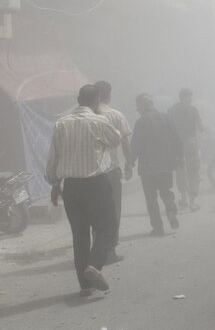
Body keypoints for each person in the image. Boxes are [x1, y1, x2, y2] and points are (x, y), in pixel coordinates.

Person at [46, 85, 121, 296]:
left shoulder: (61, 124)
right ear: (97, 100)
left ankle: (85, 286)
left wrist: (54, 184)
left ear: (78, 99)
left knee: (79, 235)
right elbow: (115, 140)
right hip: (96, 183)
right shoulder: (99, 121)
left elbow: (53, 157)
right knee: (107, 226)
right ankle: (94, 266)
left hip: (71, 187)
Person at [129, 94, 182, 236]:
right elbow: (176, 139)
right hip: (165, 164)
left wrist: (129, 163)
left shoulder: (140, 122)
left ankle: (158, 227)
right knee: (166, 191)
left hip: (148, 167)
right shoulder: (166, 118)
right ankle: (171, 210)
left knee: (151, 199)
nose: (137, 109)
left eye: (138, 106)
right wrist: (180, 158)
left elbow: (135, 145)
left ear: (145, 105)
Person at [93, 81, 132, 264]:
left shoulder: (88, 115)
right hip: (111, 171)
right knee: (114, 210)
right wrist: (129, 165)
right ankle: (110, 250)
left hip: (91, 173)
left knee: (96, 212)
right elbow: (125, 143)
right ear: (109, 95)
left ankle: (98, 248)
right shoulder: (116, 115)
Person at [168, 88, 203, 211]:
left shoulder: (171, 110)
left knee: (180, 170)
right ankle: (192, 202)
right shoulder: (192, 109)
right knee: (193, 170)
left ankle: (183, 198)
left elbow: (168, 127)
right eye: (190, 97)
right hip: (190, 143)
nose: (192, 99)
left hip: (176, 144)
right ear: (186, 97)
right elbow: (201, 127)